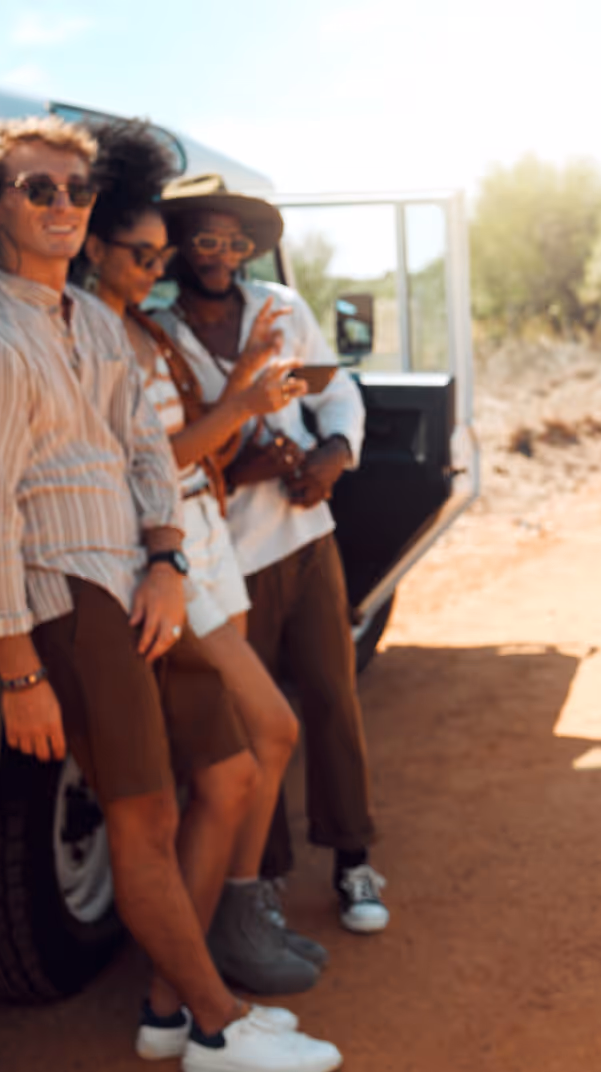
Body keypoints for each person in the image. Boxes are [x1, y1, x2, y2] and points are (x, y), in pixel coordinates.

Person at [0, 115, 341, 1072]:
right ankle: (212, 1023)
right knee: (143, 818)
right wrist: (19, 669)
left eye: (74, 191)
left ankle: (172, 1014)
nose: (62, 207)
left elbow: (148, 453)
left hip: (139, 586)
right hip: (67, 593)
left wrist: (164, 556)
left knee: (223, 769)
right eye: (39, 190)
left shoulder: (94, 319)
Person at [77, 120, 331, 994]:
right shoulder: (94, 336)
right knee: (264, 738)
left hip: (198, 539)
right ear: (96, 248)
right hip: (165, 551)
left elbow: (184, 445)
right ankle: (199, 964)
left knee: (249, 751)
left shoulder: (136, 330)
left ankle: (221, 936)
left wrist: (249, 386)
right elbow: (150, 462)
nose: (157, 267)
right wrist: (243, 401)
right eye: (142, 253)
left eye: (160, 253)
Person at [150, 175, 388, 934]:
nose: (221, 256)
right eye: (204, 240)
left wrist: (334, 452)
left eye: (235, 242)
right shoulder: (157, 336)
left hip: (305, 540)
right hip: (226, 555)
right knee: (255, 723)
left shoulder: (282, 310)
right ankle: (266, 881)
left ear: (250, 249)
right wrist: (236, 462)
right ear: (178, 247)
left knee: (330, 693)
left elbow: (336, 390)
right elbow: (160, 456)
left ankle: (353, 858)